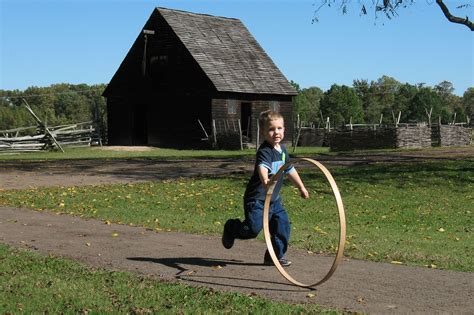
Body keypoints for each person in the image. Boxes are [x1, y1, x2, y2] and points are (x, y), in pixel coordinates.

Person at [222, 110, 309, 267]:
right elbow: (262, 168)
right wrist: (266, 182)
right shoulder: (265, 151)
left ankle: (274, 256)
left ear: (284, 129)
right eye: (271, 129)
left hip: (274, 200)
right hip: (257, 200)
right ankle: (231, 228)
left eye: (279, 128)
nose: (276, 132)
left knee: (283, 225)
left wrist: (301, 187)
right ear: (262, 132)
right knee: (252, 229)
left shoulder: (282, 150)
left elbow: (289, 169)